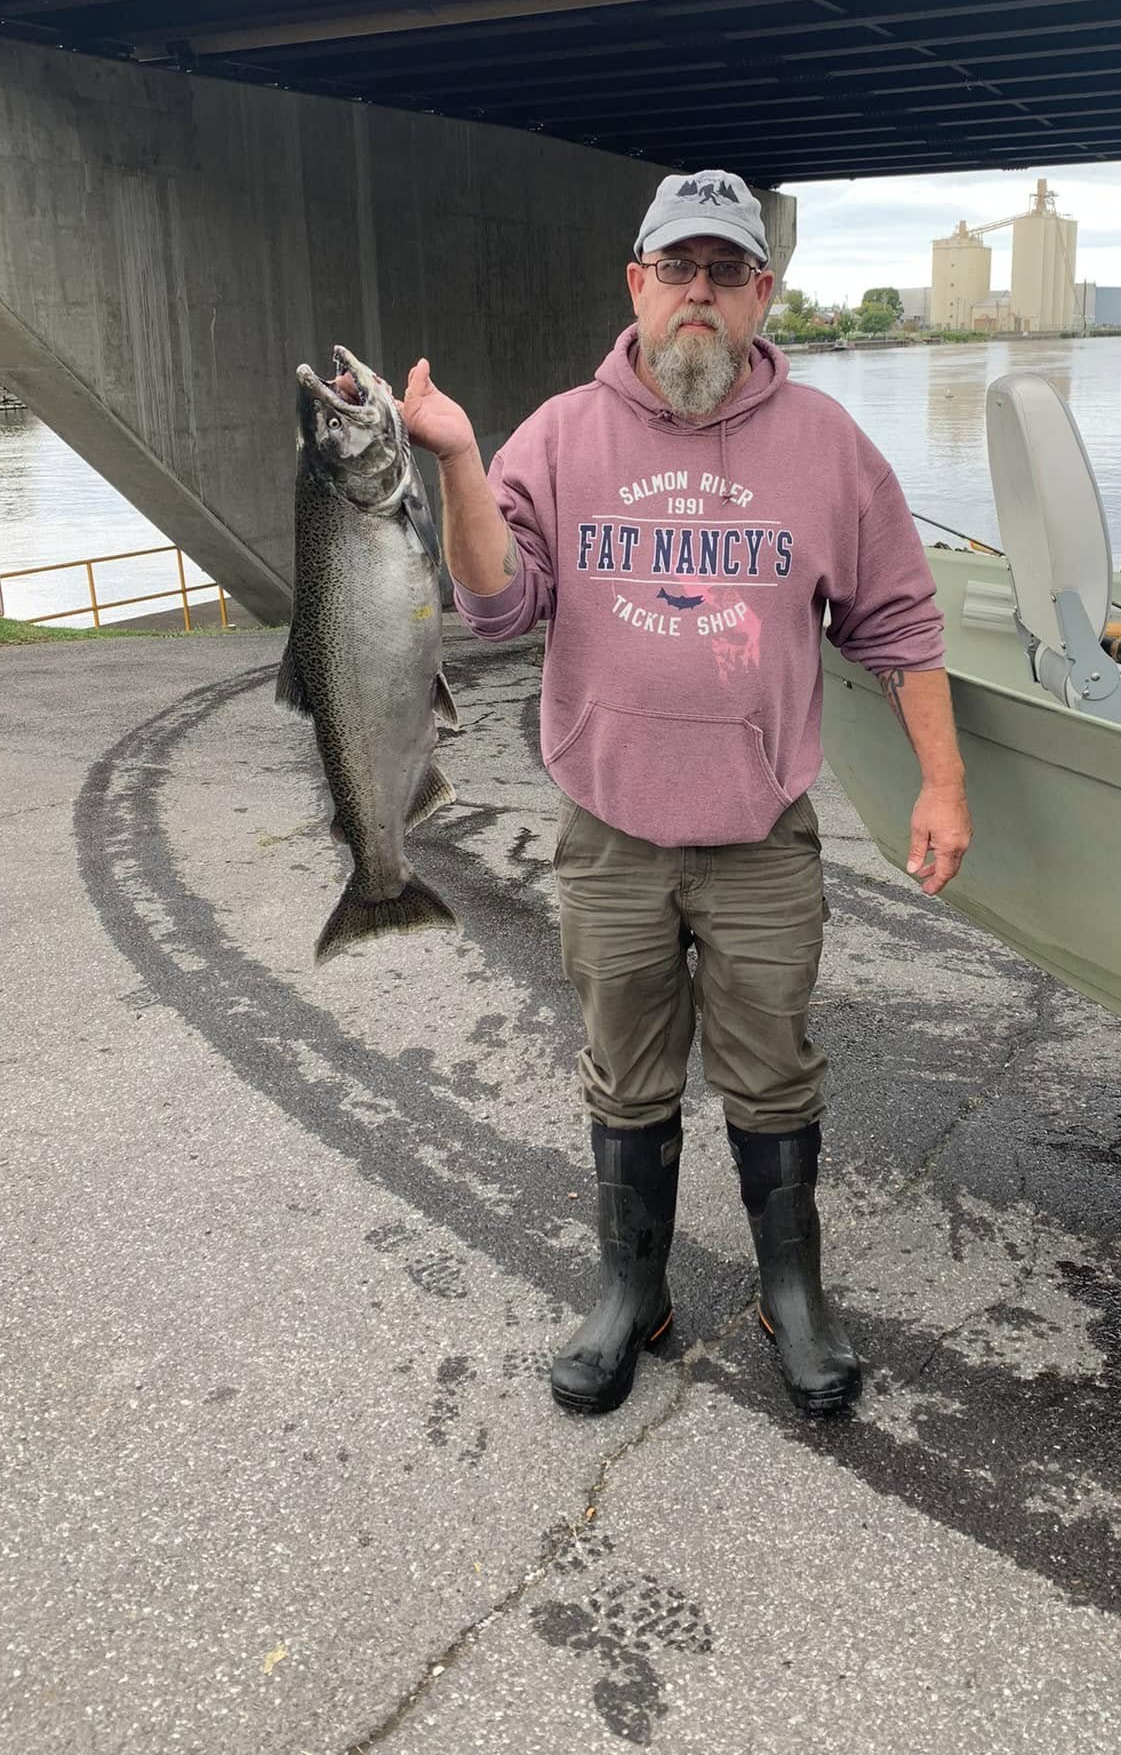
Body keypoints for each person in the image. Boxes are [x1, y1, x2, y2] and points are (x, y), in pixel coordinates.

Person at [397, 168, 971, 1419]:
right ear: (637, 285)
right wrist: (458, 463)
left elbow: (903, 624)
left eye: (725, 271)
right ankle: (630, 1289)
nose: (698, 295)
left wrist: (942, 782)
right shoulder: (558, 433)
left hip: (762, 834)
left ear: (763, 291)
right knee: (626, 1073)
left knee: (774, 1074)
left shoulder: (829, 445)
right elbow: (499, 603)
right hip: (611, 835)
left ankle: (792, 1288)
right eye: (677, 269)